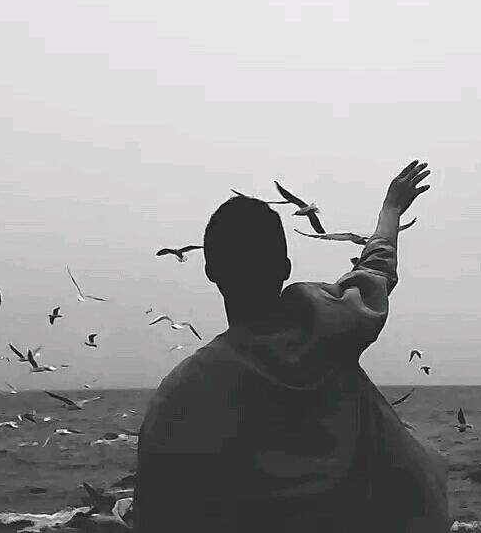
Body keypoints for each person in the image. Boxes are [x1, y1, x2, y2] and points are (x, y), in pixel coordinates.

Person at [133, 160, 449, 532]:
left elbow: (158, 509)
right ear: (286, 267)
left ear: (210, 271)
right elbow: (376, 269)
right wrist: (391, 209)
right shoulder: (331, 325)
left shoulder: (183, 393)